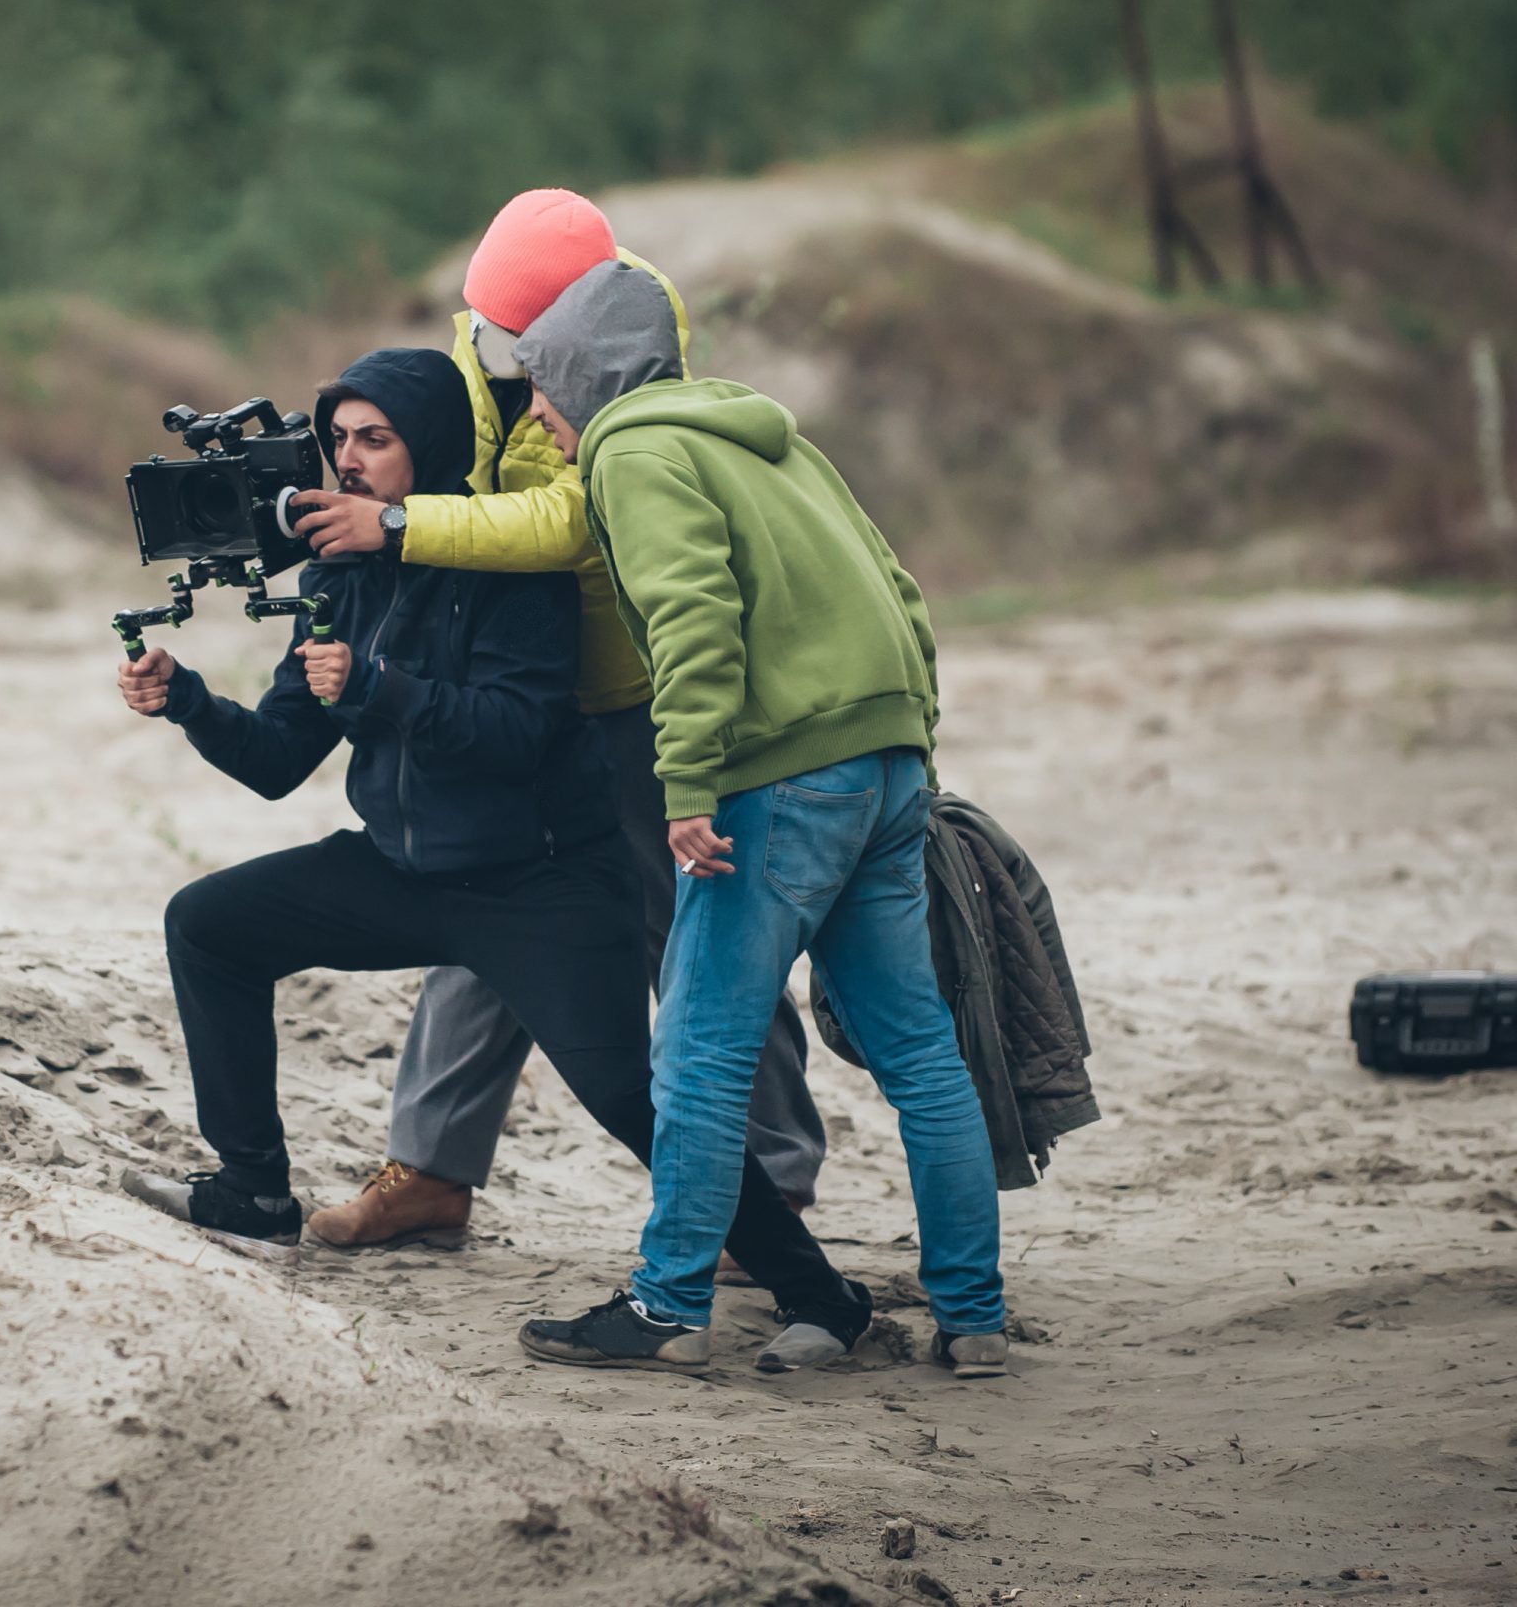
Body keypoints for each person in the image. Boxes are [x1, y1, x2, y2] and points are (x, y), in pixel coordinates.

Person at [116, 347, 870, 1372]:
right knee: (208, 925)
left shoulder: (512, 565)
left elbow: (515, 732)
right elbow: (277, 761)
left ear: (425, 445)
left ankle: (822, 1299)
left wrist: (375, 687)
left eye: (373, 439)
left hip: (539, 886)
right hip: (400, 874)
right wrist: (190, 701)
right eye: (337, 439)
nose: (349, 460)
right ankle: (250, 1192)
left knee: (632, 1102)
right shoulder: (341, 576)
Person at [284, 190, 825, 1253]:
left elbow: (573, 520)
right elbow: (462, 460)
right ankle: (431, 1168)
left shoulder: (622, 349)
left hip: (636, 698)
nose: (502, 359)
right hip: (519, 690)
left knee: (702, 938)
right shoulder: (485, 324)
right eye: (488, 330)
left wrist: (395, 525)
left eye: (522, 345)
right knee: (483, 907)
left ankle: (772, 1192)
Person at [505, 257, 1008, 1377]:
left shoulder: (634, 452)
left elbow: (692, 623)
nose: (535, 411)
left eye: (543, 382)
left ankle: (668, 1308)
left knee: (695, 1052)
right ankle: (972, 1319)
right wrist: (910, 738)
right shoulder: (767, 436)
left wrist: (685, 789)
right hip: (882, 766)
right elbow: (898, 586)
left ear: (588, 374)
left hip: (777, 782)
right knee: (920, 1050)